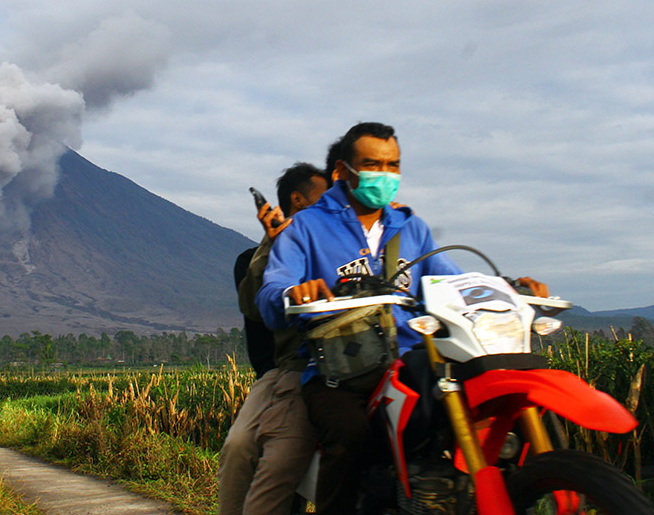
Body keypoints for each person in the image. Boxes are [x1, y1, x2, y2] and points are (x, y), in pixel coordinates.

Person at [256, 122, 547, 514]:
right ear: (343, 170)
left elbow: (452, 279)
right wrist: (294, 291)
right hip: (341, 371)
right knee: (350, 435)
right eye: (373, 164)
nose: (386, 175)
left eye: (393, 165)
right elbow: (271, 292)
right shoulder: (306, 227)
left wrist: (509, 287)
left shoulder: (410, 226)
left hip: (412, 358)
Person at [219, 162, 329, 515]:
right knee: (239, 448)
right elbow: (255, 308)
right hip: (290, 370)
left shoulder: (343, 248)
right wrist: (274, 241)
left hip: (356, 363)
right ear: (297, 201)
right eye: (323, 201)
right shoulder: (256, 260)